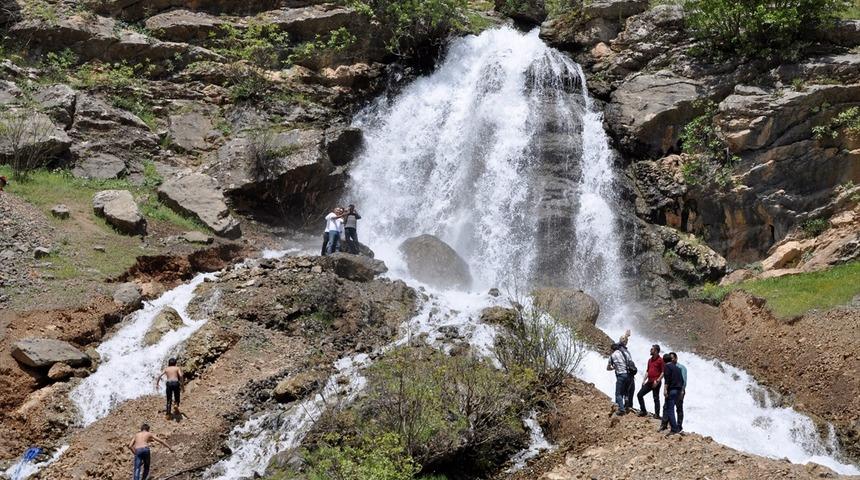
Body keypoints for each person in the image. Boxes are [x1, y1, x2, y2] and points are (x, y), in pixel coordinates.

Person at [660, 352, 687, 432]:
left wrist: (682, 391)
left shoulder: (681, 367)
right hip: (676, 389)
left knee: (677, 408)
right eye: (670, 358)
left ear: (676, 358)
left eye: (672, 358)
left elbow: (683, 381)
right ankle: (664, 424)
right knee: (666, 407)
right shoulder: (676, 368)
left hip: (676, 390)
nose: (671, 359)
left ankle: (677, 427)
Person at [606, 340, 633, 415]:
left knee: (618, 394)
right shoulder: (625, 353)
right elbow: (630, 362)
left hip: (621, 376)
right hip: (628, 375)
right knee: (626, 392)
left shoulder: (612, 356)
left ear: (612, 349)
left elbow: (608, 368)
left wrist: (614, 368)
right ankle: (626, 407)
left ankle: (621, 409)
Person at [637, 344, 664, 418]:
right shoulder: (650, 360)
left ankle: (657, 414)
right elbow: (648, 371)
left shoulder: (660, 360)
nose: (650, 350)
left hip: (656, 382)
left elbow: (663, 372)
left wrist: (657, 380)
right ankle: (643, 411)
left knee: (656, 398)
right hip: (649, 381)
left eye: (652, 349)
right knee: (639, 395)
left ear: (656, 351)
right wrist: (644, 380)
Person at [617, 330, 636, 410]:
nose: (626, 342)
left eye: (626, 341)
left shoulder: (627, 351)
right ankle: (621, 407)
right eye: (625, 340)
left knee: (629, 390)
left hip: (628, 374)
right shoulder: (618, 350)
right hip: (624, 373)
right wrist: (626, 336)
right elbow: (617, 344)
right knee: (623, 391)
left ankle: (628, 406)